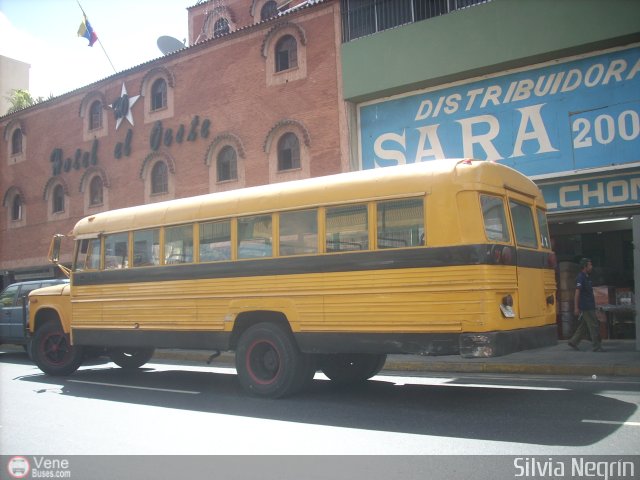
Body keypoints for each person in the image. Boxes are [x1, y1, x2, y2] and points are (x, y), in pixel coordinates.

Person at [568, 258, 604, 352]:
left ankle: (573, 341)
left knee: (584, 326)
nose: (591, 267)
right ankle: (597, 346)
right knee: (594, 325)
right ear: (585, 267)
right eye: (590, 265)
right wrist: (576, 307)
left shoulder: (586, 277)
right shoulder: (581, 277)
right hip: (586, 306)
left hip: (589, 305)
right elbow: (577, 293)